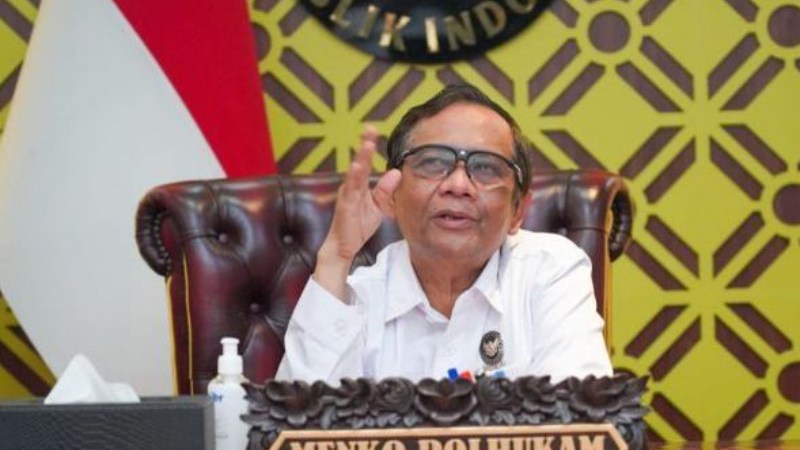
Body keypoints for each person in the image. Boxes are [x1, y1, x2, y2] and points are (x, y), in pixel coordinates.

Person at [276, 84, 612, 383]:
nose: (458, 185)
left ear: (518, 212)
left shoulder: (550, 272)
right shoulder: (358, 299)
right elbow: (293, 423)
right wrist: (336, 257)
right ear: (393, 193)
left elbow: (579, 420)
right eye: (434, 163)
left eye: (485, 167)